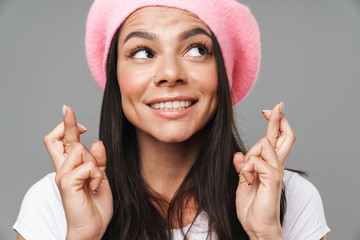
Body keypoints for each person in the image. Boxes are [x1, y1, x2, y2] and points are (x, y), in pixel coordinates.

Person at [13, 0, 330, 239]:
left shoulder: (290, 196)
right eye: (142, 53)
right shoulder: (53, 200)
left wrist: (266, 233)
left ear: (222, 73)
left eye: (195, 49)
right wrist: (83, 236)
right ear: (116, 78)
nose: (169, 74)